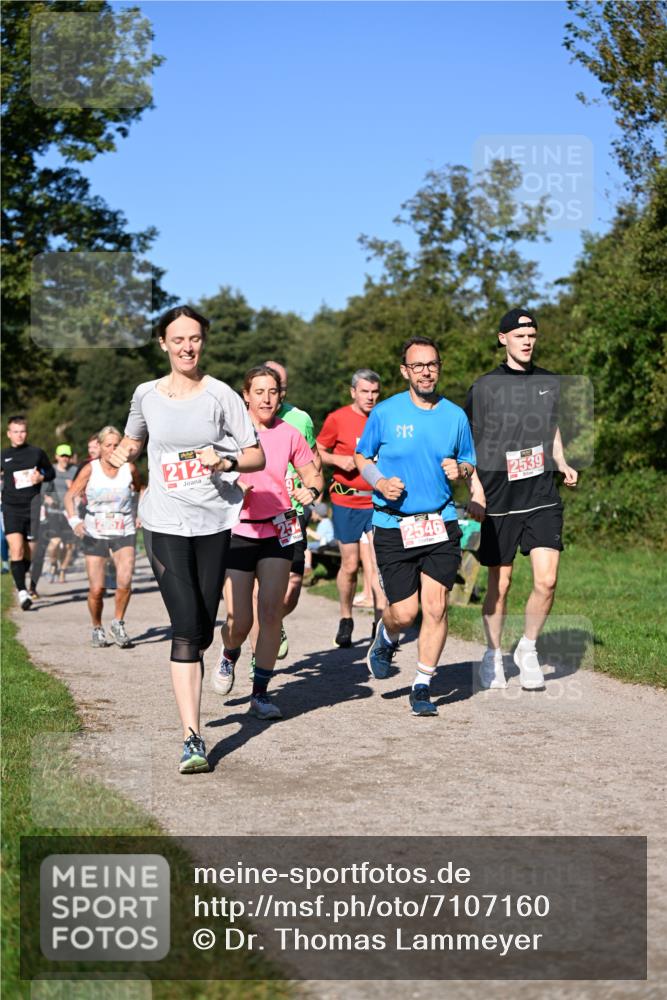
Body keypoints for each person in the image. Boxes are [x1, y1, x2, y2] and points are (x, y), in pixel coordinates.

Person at [109, 305, 264, 774]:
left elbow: (254, 454)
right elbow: (134, 439)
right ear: (163, 343)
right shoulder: (146, 395)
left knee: (201, 624)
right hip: (162, 523)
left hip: (214, 522)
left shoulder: (220, 396)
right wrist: (119, 455)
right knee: (184, 628)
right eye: (178, 339)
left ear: (203, 341)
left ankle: (212, 648)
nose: (187, 347)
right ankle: (192, 737)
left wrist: (226, 464)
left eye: (194, 338)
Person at [355, 336, 476, 717]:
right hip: (393, 524)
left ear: (439, 367)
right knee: (405, 613)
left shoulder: (455, 416)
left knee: (436, 607)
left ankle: (422, 684)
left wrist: (462, 470)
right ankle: (387, 635)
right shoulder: (386, 413)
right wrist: (378, 482)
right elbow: (362, 455)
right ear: (405, 371)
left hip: (440, 521)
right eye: (418, 365)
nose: (426, 371)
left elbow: (469, 462)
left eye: (432, 364)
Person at [464, 308, 578, 691]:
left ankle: (526, 648)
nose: (527, 340)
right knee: (502, 581)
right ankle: (492, 653)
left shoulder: (548, 381)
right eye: (519, 334)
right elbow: (470, 445)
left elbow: (552, 427)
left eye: (532, 334)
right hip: (499, 496)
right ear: (503, 339)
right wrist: (475, 490)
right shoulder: (485, 387)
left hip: (541, 492)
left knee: (547, 581)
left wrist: (561, 461)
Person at [213, 365, 323, 719]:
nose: (266, 398)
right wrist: (230, 486)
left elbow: (312, 473)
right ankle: (229, 653)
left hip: (279, 528)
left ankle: (260, 692)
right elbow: (206, 475)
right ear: (245, 395)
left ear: (281, 396)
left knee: (272, 612)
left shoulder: (289, 433)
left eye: (273, 392)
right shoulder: (227, 433)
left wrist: (311, 491)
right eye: (259, 391)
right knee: (240, 620)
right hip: (238, 532)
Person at [317, 368, 385, 646]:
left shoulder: (385, 418)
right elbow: (317, 451)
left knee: (381, 563)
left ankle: (380, 624)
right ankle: (346, 618)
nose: (370, 397)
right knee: (349, 564)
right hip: (347, 499)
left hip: (379, 501)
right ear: (353, 392)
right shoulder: (338, 419)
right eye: (365, 392)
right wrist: (336, 460)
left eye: (374, 392)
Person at [65, 426, 144, 648]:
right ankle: (97, 627)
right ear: (99, 447)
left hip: (124, 529)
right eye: (107, 445)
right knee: (97, 589)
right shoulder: (90, 469)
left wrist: (139, 513)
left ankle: (118, 622)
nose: (112, 449)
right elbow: (69, 497)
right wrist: (75, 521)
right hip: (95, 532)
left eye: (116, 445)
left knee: (125, 581)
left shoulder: (130, 468)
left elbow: (140, 490)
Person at [263, 361, 322, 657]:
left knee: (294, 584)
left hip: (292, 512)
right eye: (273, 387)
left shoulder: (300, 419)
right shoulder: (245, 419)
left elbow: (314, 460)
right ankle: (256, 641)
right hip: (257, 514)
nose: (277, 393)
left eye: (282, 387)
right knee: (257, 588)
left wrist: (311, 487)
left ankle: (274, 621)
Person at [0, 416, 55, 610]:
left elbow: (51, 473)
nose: (19, 435)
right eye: (15, 431)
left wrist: (41, 476)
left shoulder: (36, 453)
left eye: (22, 431)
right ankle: (22, 592)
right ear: (9, 434)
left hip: (32, 507)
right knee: (16, 549)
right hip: (11, 508)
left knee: (31, 552)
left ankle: (21, 579)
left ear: (27, 432)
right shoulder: (3, 455)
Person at [41, 444, 78, 583]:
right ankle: (52, 563)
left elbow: (82, 489)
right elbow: (42, 490)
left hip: (71, 512)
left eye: (67, 456)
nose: (65, 458)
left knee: (69, 545)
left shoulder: (75, 471)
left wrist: (73, 487)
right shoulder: (51, 471)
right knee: (55, 541)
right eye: (62, 456)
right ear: (56, 457)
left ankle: (62, 570)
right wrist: (47, 498)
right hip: (54, 511)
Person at [304, 502, 334, 573]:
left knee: (306, 546)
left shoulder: (324, 523)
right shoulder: (326, 521)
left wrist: (310, 532)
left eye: (313, 513)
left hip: (326, 543)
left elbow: (319, 537)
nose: (312, 515)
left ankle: (307, 566)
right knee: (309, 544)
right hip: (326, 543)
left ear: (317, 514)